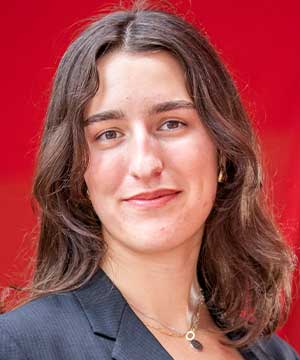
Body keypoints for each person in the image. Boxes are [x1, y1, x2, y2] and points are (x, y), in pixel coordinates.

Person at [0, 1, 299, 359]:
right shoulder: (21, 347)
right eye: (109, 134)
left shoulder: (275, 355)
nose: (145, 164)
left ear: (223, 150)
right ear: (77, 173)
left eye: (172, 123)